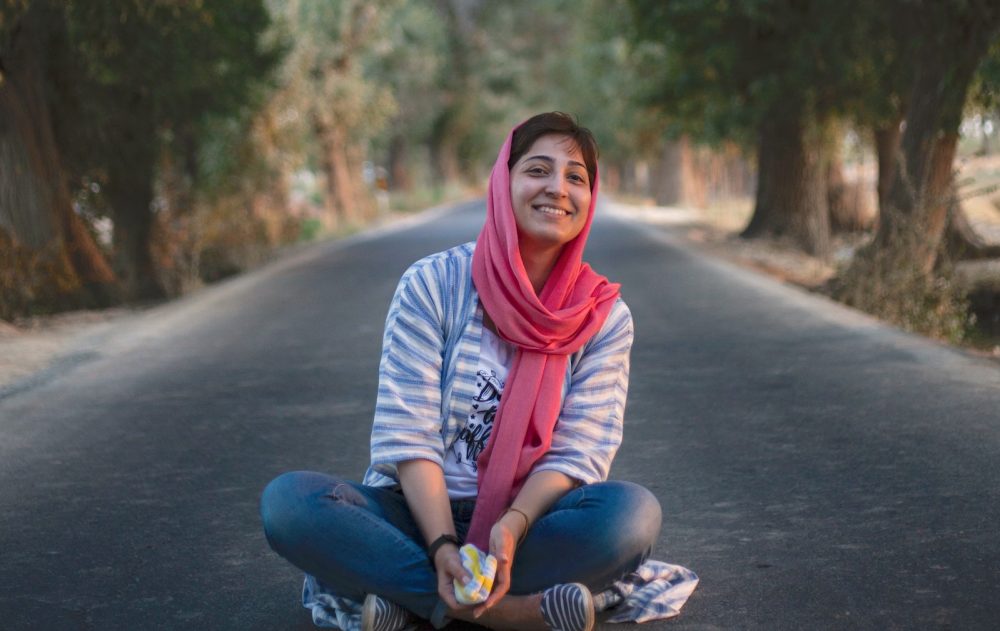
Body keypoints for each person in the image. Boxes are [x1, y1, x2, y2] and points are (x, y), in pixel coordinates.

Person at [260, 112, 690, 631]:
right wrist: (443, 543)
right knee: (290, 504)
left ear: (589, 200)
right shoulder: (433, 284)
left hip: (530, 527)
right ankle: (506, 613)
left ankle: (415, 605)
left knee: (631, 517)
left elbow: (581, 451)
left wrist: (510, 525)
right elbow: (408, 433)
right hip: (414, 519)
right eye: (537, 169)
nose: (557, 188)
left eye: (576, 177)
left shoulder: (603, 317)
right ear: (502, 182)